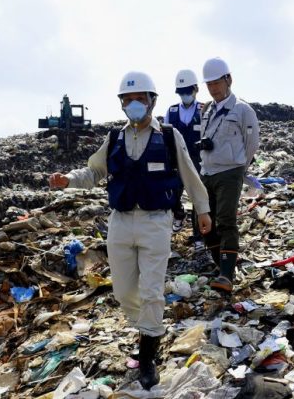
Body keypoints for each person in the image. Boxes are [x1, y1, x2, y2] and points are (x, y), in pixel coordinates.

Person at [48, 71, 212, 390]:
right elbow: (94, 171)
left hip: (156, 221)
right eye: (128, 99)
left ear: (152, 101)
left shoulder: (167, 135)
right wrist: (68, 180)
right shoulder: (114, 139)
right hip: (121, 221)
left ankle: (148, 355)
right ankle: (150, 329)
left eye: (140, 99)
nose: (134, 104)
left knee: (151, 291)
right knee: (124, 292)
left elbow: (190, 174)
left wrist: (202, 210)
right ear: (122, 103)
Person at [198, 57, 260, 293]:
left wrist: (239, 167)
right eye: (209, 84)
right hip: (207, 171)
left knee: (225, 221)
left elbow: (252, 142)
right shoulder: (207, 110)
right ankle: (221, 263)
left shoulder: (242, 109)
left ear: (228, 79)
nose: (213, 88)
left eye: (217, 83)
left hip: (229, 172)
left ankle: (227, 274)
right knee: (205, 223)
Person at [163, 69, 204, 251]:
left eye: (188, 91)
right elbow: (165, 136)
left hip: (197, 160)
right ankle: (178, 213)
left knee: (198, 199)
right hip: (176, 160)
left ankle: (198, 237)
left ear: (195, 89)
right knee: (170, 194)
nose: (185, 95)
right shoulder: (171, 112)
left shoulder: (204, 110)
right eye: (181, 92)